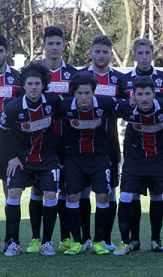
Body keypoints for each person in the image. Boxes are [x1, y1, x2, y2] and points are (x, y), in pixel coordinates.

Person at [26, 26, 79, 254]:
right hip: (40, 141)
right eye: (51, 44)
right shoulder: (33, 73)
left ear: (64, 45)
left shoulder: (74, 74)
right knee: (38, 190)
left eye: (59, 43)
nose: (55, 48)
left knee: (65, 188)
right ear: (43, 45)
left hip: (66, 140)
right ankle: (36, 238)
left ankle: (65, 238)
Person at [113, 76, 163, 256]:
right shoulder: (124, 107)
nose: (144, 98)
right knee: (125, 196)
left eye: (147, 94)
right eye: (140, 94)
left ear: (154, 94)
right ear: (133, 96)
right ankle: (125, 242)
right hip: (136, 159)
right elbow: (105, 104)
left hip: (162, 159)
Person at [0, 61, 61, 256]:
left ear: (43, 84)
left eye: (37, 83)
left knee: (51, 195)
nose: (34, 87)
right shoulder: (12, 107)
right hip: (22, 160)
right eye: (30, 84)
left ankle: (47, 243)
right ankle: (12, 243)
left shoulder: (54, 101)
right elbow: (2, 132)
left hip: (47, 158)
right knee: (14, 193)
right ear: (23, 86)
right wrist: (12, 158)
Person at [118, 38, 163, 252]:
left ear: (153, 55)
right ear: (134, 56)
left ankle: (156, 239)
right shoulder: (124, 79)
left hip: (160, 143)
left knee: (158, 194)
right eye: (139, 53)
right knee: (133, 193)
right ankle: (134, 238)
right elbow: (116, 105)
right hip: (134, 144)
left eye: (147, 53)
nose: (143, 57)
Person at [58, 71, 118, 255]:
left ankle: (99, 241)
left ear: (94, 92)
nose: (84, 97)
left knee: (102, 196)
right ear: (73, 93)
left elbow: (127, 107)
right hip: (73, 157)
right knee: (72, 196)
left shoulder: (107, 104)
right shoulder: (63, 106)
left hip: (99, 156)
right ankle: (78, 241)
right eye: (79, 93)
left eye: (87, 93)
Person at [78, 35, 124, 250]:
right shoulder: (80, 77)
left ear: (111, 54)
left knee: (110, 190)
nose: (101, 55)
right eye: (98, 51)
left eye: (105, 51)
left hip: (110, 143)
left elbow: (128, 106)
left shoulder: (119, 79)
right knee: (84, 190)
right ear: (91, 52)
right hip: (83, 143)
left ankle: (105, 237)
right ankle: (85, 237)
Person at [0, 35, 20, 201]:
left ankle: (9, 224)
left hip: (7, 138)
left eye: (0, 51)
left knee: (8, 184)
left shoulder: (17, 78)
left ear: (7, 52)